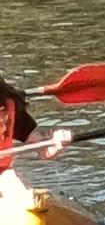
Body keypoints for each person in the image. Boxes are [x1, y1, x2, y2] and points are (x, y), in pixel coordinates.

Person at [0, 77, 70, 205]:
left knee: (27, 201)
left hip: (2, 175)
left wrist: (58, 144)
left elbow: (45, 152)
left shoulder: (10, 106)